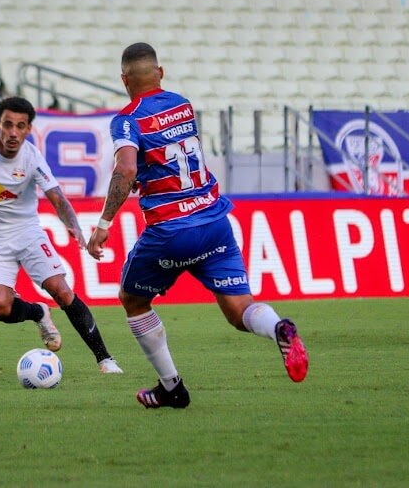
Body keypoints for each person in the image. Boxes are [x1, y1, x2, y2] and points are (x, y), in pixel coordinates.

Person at [87, 43, 308, 410]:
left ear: (124, 80)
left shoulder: (126, 119)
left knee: (133, 300)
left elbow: (126, 169)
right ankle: (278, 328)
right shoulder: (181, 105)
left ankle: (172, 387)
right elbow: (168, 158)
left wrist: (104, 223)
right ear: (161, 72)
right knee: (240, 311)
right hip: (214, 221)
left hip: (172, 230)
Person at [0, 96, 122, 374]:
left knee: (62, 290)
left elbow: (57, 197)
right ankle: (38, 313)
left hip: (27, 234)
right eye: (7, 124)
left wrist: (75, 227)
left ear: (28, 129)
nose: (13, 132)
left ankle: (105, 359)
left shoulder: (31, 157)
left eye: (20, 126)